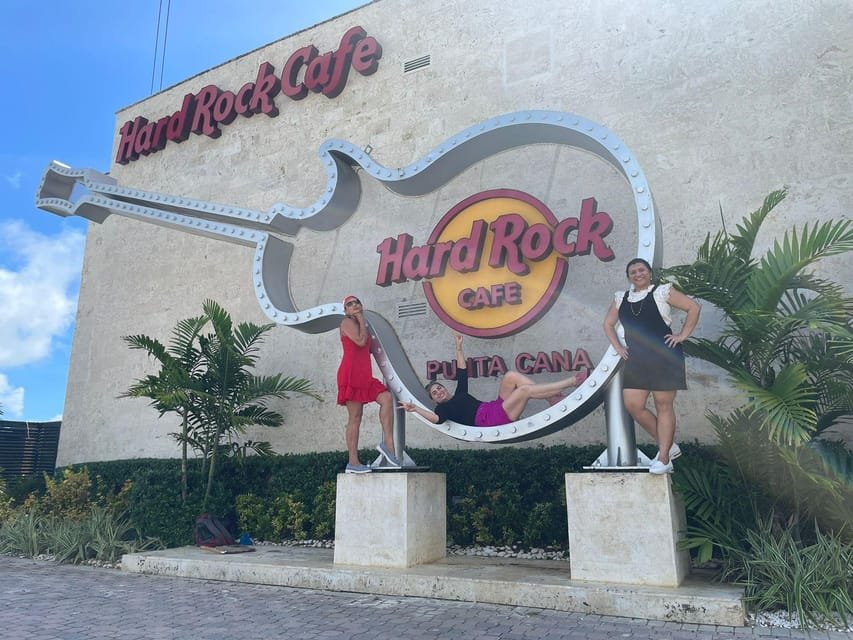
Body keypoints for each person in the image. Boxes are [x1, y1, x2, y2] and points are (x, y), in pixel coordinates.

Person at [603, 258, 701, 474]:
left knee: (663, 405)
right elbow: (608, 324)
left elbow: (693, 307)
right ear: (628, 277)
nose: (638, 274)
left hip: (664, 356)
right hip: (637, 359)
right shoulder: (621, 298)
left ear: (649, 273)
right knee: (633, 405)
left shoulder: (662, 292)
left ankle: (664, 458)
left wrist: (682, 335)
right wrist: (618, 347)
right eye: (633, 272)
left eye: (642, 270)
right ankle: (669, 445)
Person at [399, 331, 588, 426]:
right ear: (434, 400)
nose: (439, 392)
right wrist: (415, 409)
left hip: (493, 407)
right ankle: (571, 382)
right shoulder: (443, 409)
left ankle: (552, 398)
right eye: (434, 393)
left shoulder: (460, 393)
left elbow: (462, 370)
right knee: (524, 391)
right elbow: (437, 420)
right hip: (492, 420)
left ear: (445, 388)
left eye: (439, 388)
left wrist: (458, 347)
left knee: (511, 376)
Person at [337, 295, 401, 473]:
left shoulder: (363, 324)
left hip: (365, 375)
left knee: (386, 398)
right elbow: (360, 341)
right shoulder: (346, 323)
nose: (354, 305)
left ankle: (388, 445)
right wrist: (361, 319)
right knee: (355, 417)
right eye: (350, 304)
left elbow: (370, 348)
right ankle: (353, 463)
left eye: (357, 302)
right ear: (346, 310)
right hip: (350, 374)